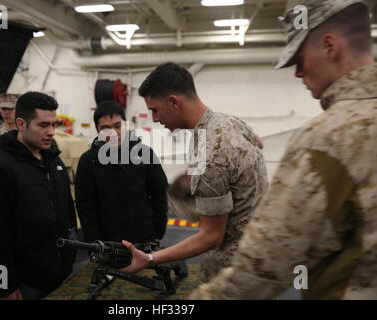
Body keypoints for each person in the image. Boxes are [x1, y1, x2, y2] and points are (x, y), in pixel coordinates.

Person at [189, 0, 377, 299]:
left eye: (299, 59)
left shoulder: (324, 141)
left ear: (330, 47)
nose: (297, 73)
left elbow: (264, 267)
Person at [120, 62, 268, 283]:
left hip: (233, 276)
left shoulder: (208, 153)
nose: (155, 119)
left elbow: (211, 236)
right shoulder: (229, 122)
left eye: (154, 110)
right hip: (259, 254)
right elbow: (258, 142)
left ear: (174, 102)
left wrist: (150, 258)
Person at [0, 92, 77, 300]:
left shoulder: (55, 163)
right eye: (43, 125)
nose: (51, 132)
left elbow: (67, 213)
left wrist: (70, 256)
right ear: (21, 124)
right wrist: (2, 287)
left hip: (61, 276)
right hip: (25, 286)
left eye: (54, 125)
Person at [75, 101, 168, 244]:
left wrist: (157, 233)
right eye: (106, 128)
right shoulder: (88, 162)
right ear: (97, 129)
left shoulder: (145, 155)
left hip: (145, 240)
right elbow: (85, 205)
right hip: (107, 244)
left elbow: (159, 194)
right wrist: (95, 241)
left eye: (118, 126)